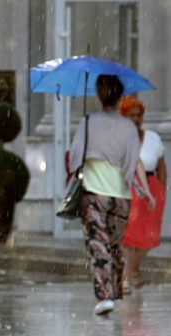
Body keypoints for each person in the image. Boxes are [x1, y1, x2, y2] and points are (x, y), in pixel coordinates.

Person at [68, 75, 148, 316]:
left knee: (97, 242)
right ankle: (114, 288)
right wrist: (122, 177)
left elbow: (74, 158)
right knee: (115, 243)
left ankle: (105, 295)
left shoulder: (88, 122)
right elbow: (133, 160)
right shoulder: (128, 127)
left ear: (99, 95)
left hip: (94, 190)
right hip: (120, 192)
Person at [119, 95, 166, 293]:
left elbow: (162, 167)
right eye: (132, 115)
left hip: (152, 186)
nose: (136, 119)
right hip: (129, 185)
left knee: (149, 236)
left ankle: (132, 270)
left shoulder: (153, 138)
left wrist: (162, 191)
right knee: (130, 234)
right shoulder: (119, 138)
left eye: (139, 115)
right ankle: (127, 277)